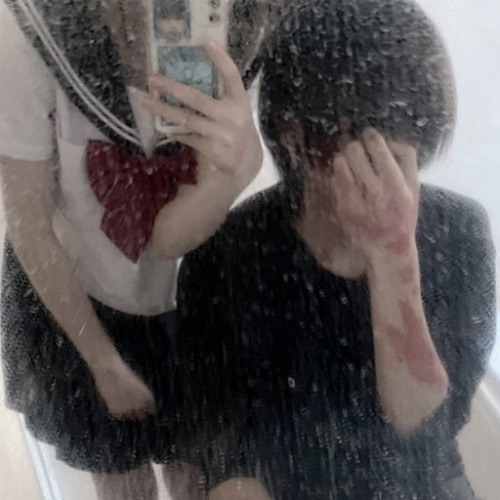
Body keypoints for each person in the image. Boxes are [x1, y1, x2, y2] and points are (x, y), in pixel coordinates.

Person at [173, 0, 497, 498]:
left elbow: (427, 430)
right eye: (372, 156)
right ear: (294, 137)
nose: (393, 183)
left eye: (407, 157)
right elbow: (227, 450)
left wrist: (392, 256)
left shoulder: (460, 232)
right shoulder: (226, 256)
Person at [0, 0, 273, 499]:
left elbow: (172, 235)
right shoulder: (26, 27)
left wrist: (236, 174)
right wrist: (102, 362)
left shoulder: (240, 21)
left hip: (189, 295)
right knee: (123, 480)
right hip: (75, 300)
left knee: (196, 470)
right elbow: (28, 224)